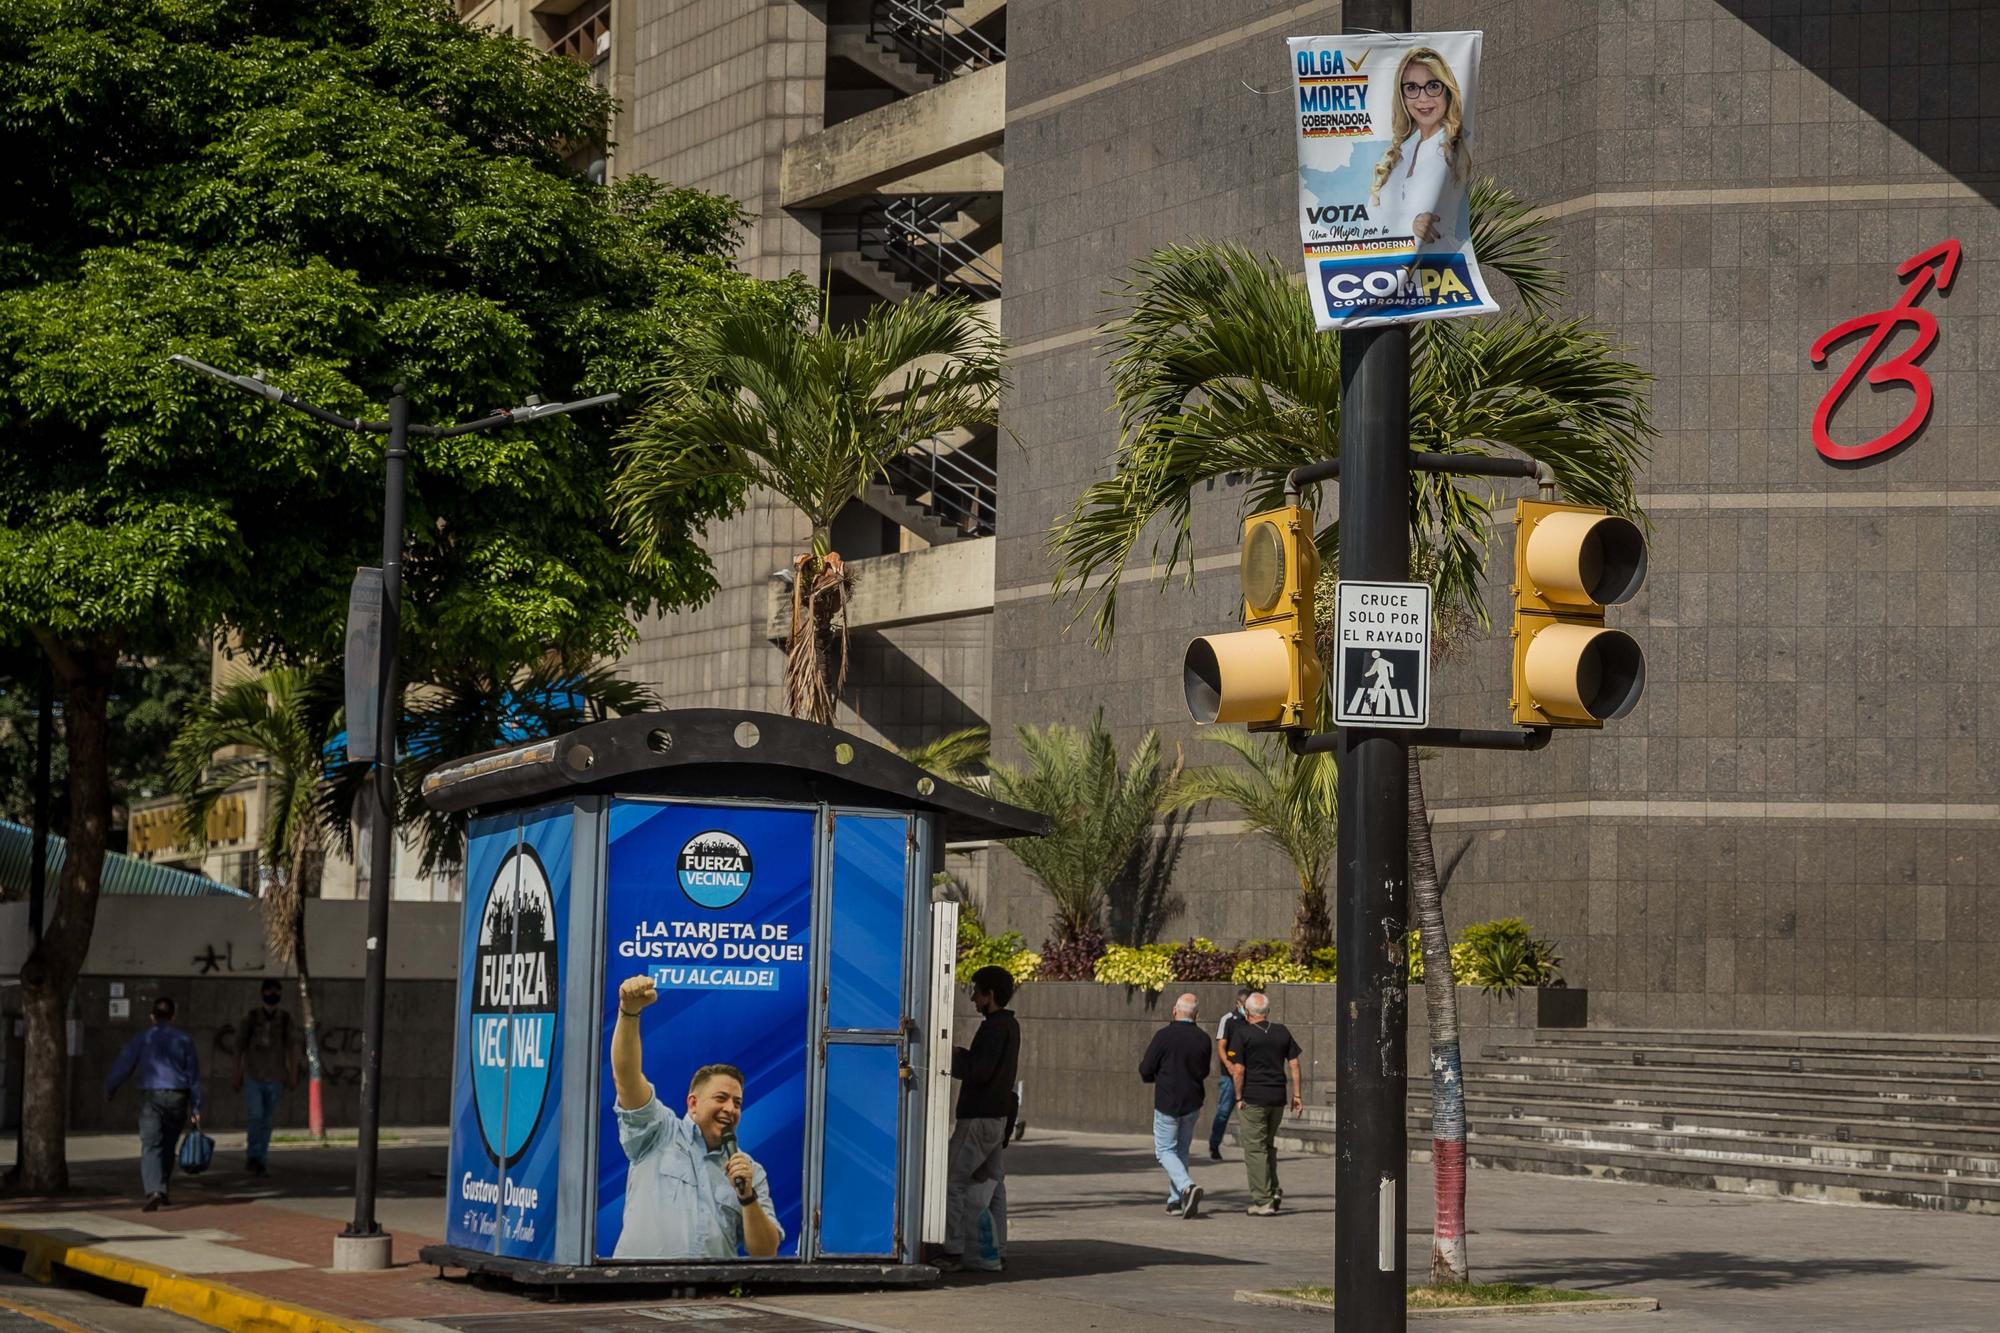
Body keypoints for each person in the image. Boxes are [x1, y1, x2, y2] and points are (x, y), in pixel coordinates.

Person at [608, 974, 782, 1259]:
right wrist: (629, 1012)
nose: (730, 1109)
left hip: (711, 1297)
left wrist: (747, 1197)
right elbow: (626, 1078)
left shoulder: (749, 1171)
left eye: (737, 1102)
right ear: (692, 1103)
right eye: (721, 1098)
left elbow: (765, 1251)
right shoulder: (658, 1132)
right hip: (637, 1289)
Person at [940, 964, 1019, 1273]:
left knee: (951, 1182)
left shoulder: (994, 1027)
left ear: (991, 995)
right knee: (995, 1183)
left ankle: (952, 1248)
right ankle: (997, 1249)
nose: (973, 999)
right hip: (997, 1117)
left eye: (977, 992)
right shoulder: (1010, 1026)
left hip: (978, 1118)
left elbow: (980, 1070)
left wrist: (951, 1056)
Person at [105, 995, 203, 1212]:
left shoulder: (143, 1038)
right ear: (173, 1016)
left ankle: (154, 1190)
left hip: (151, 1096)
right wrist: (196, 1106)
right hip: (178, 1096)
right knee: (168, 1145)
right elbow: (193, 1074)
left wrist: (111, 1087)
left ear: (152, 1017)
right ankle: (163, 1188)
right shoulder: (184, 1040)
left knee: (151, 1144)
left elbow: (124, 1065)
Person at [1368, 46, 1470, 248]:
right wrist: (1410, 226)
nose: (1423, 98)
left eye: (1432, 86)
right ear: (1403, 97)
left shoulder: (1455, 152)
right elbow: (1369, 221)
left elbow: (1438, 228)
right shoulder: (1397, 155)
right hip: (1389, 273)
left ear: (1447, 91)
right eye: (1412, 88)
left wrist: (1400, 226)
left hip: (1437, 272)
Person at [1225, 991, 1303, 1216]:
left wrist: (1238, 1097)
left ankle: (1263, 1200)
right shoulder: (1281, 1031)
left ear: (1247, 1012)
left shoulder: (1242, 1034)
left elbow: (1238, 1070)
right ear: (1267, 1012)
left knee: (1255, 1149)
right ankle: (1274, 1189)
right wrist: (1297, 1095)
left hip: (1253, 1098)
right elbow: (1294, 1064)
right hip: (1277, 1097)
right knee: (1268, 1145)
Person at [1138, 992, 1210, 1218]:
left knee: (1164, 1151)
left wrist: (1155, 1078)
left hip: (1168, 1100)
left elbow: (1146, 1067)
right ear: (1196, 1014)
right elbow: (1204, 1071)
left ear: (1174, 1010)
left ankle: (1186, 1187)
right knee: (1181, 1150)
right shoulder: (1203, 1038)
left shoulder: (1164, 1036)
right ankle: (1175, 1200)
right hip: (1192, 1101)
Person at [233, 979, 299, 1177]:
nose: (272, 995)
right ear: (262, 993)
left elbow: (292, 1048)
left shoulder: (285, 1019)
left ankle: (261, 1158)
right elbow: (238, 1048)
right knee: (256, 1116)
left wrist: (293, 1074)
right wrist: (237, 1074)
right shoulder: (251, 1018)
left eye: (276, 991)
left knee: (267, 1120)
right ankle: (253, 1155)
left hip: (276, 1077)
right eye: (269, 991)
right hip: (253, 1076)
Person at [1208, 986, 1251, 1160]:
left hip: (1249, 1075)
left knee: (1250, 1113)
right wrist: (1229, 1065)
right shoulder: (1228, 1019)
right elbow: (1221, 1046)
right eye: (1245, 1005)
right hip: (1229, 1075)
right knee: (1224, 1111)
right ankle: (1214, 1145)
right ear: (1238, 1003)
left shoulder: (1254, 1019)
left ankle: (1252, 1150)